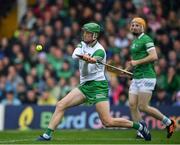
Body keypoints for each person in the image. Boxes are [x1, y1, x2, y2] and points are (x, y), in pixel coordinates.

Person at [37, 22, 151, 141]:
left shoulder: (100, 51)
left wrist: (91, 60)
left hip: (98, 86)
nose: (84, 34)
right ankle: (47, 135)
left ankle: (139, 126)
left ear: (95, 36)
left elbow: (95, 60)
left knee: (107, 122)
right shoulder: (82, 44)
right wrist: (84, 57)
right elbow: (74, 55)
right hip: (85, 85)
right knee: (61, 105)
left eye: (87, 33)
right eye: (84, 32)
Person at [126, 17, 176, 139]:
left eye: (137, 25)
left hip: (147, 77)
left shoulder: (146, 39)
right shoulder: (134, 42)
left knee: (143, 106)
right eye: (132, 25)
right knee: (132, 105)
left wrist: (136, 63)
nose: (134, 27)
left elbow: (154, 56)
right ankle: (141, 130)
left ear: (143, 27)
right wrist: (128, 71)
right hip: (137, 77)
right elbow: (135, 62)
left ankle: (169, 123)